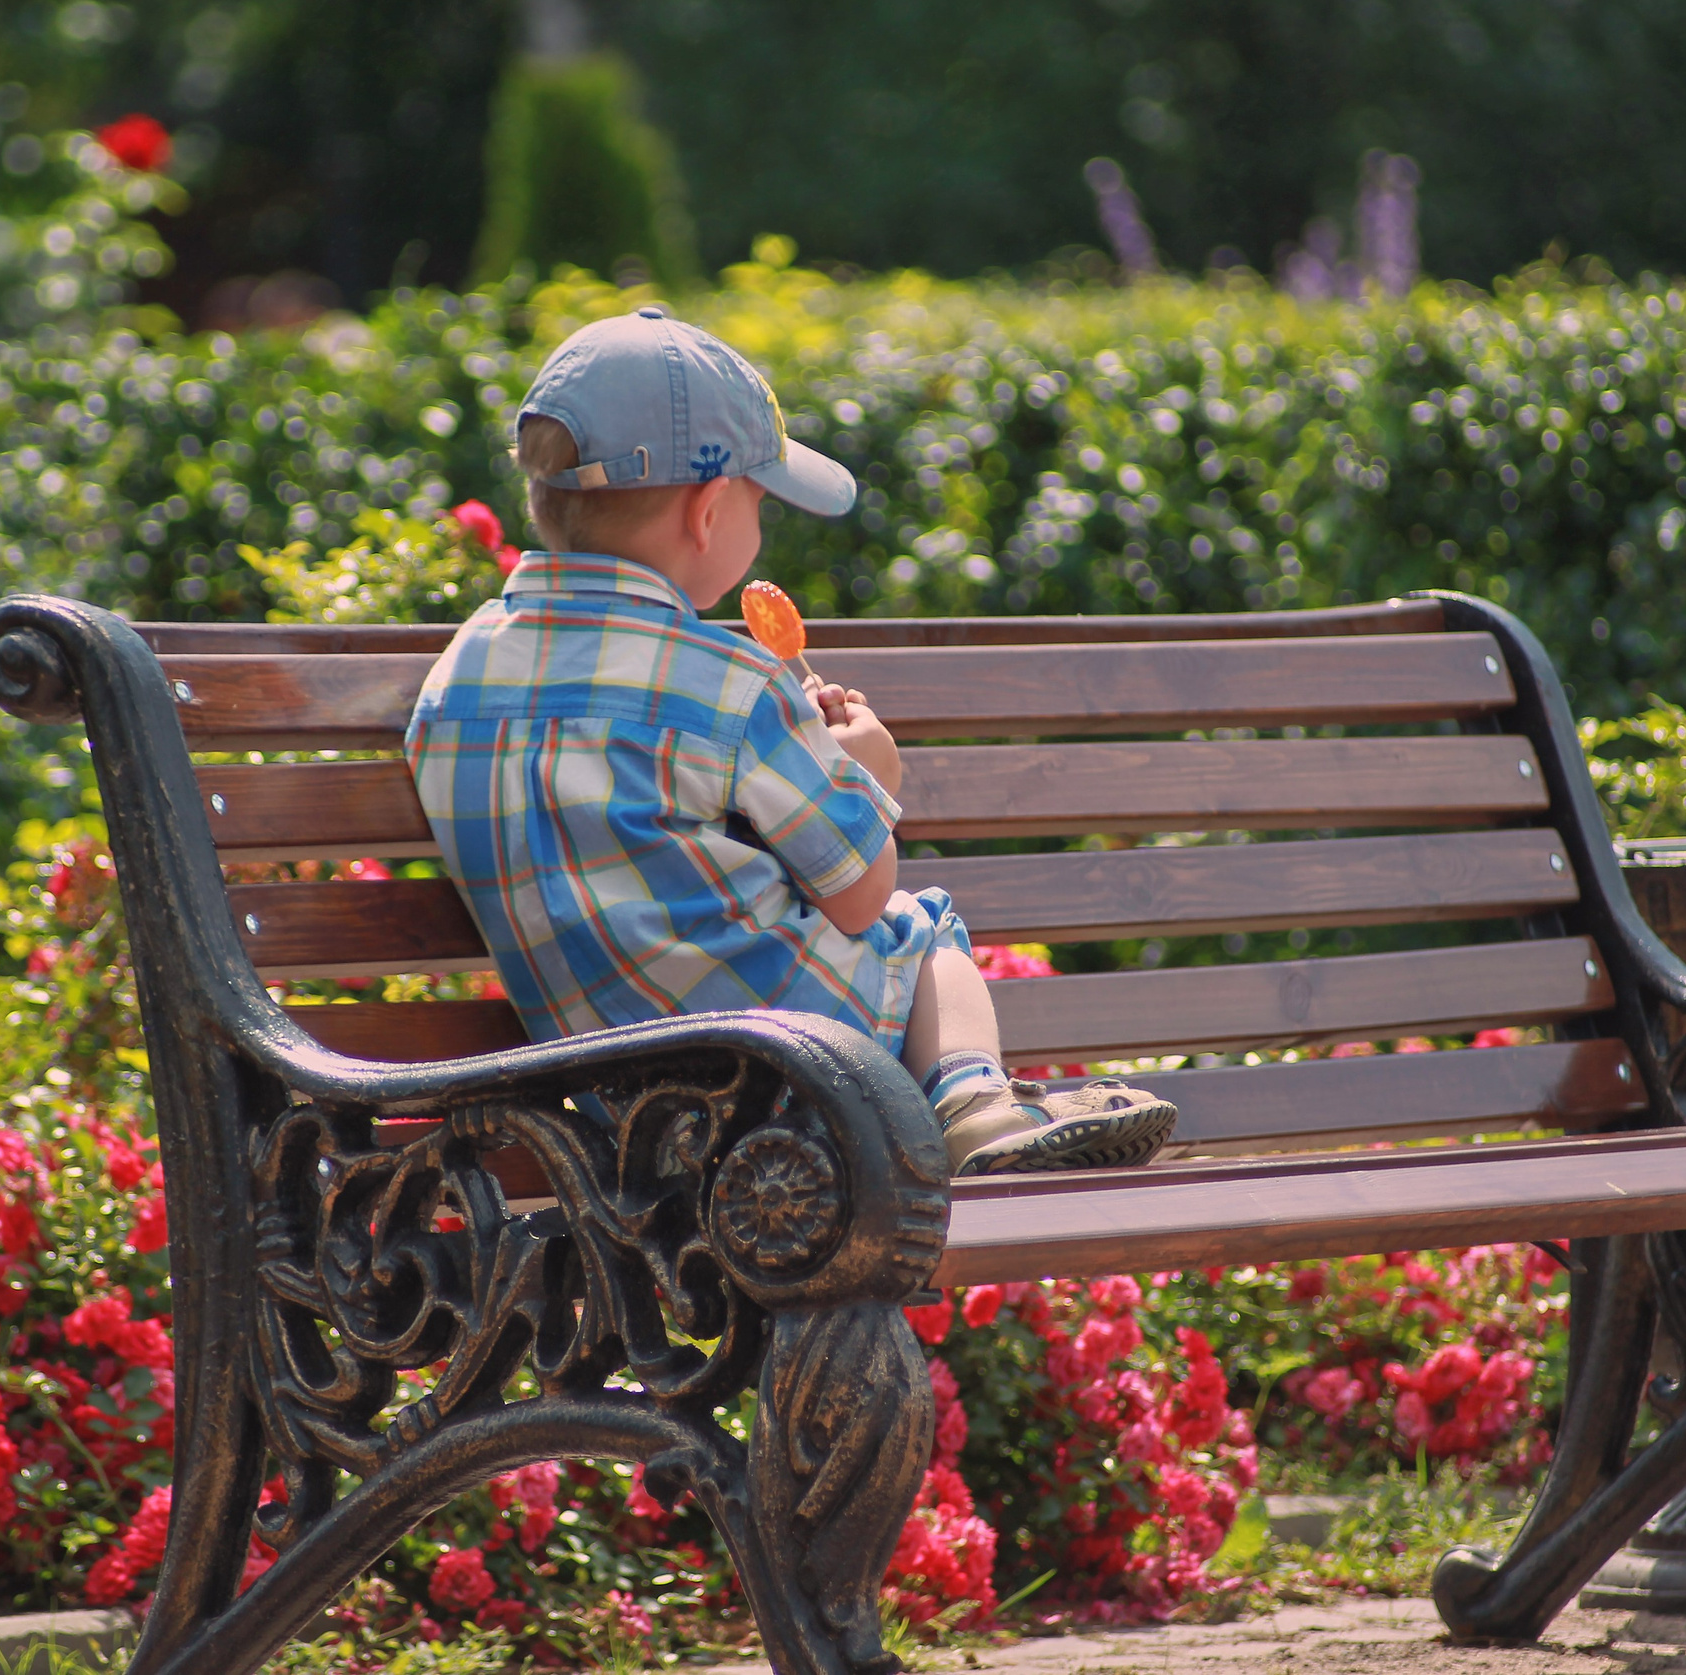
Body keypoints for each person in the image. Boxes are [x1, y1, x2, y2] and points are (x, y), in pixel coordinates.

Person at [403, 306, 1174, 1175]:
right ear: (707, 511)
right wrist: (867, 775)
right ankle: (971, 1104)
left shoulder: (455, 682)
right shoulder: (729, 685)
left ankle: (986, 1109)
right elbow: (854, 894)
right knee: (923, 928)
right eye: (761, 501)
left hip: (609, 1099)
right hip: (790, 1068)